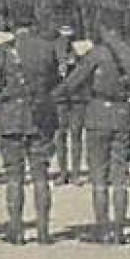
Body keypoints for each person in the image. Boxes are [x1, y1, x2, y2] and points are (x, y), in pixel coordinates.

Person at [60, 24, 130, 244]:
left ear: (106, 29)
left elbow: (73, 82)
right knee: (120, 177)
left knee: (99, 177)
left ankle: (102, 228)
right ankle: (119, 231)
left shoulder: (97, 53)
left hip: (98, 115)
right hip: (123, 114)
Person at [0, 20, 61, 244]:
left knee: (14, 177)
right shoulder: (47, 48)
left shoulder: (4, 51)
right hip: (40, 117)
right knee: (41, 176)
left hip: (11, 117)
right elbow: (55, 80)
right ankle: (43, 232)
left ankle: (16, 230)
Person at [52, 26, 86, 185]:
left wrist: (76, 61)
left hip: (77, 96)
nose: (66, 40)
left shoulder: (81, 50)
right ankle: (63, 171)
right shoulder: (53, 49)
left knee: (76, 134)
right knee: (60, 135)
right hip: (60, 97)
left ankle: (76, 172)